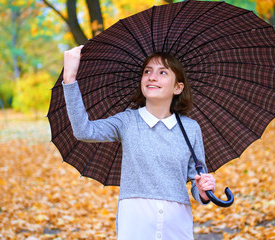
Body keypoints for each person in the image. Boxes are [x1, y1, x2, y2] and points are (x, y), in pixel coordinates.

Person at [62, 45, 216, 240]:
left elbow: (196, 181)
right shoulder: (127, 121)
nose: (152, 77)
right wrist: (70, 79)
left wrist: (203, 192)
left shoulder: (190, 128)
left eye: (162, 72)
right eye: (147, 71)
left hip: (177, 224)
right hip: (135, 221)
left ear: (178, 87)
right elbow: (84, 130)